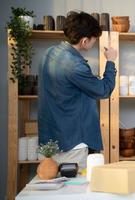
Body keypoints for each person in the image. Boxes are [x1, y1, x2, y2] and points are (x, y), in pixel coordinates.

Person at [38, 11, 117, 169]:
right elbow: (103, 90)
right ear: (84, 40)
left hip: (49, 141)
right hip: (72, 144)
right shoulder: (75, 65)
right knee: (76, 191)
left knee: (53, 189)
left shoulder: (48, 54)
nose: (94, 43)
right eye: (94, 40)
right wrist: (111, 61)